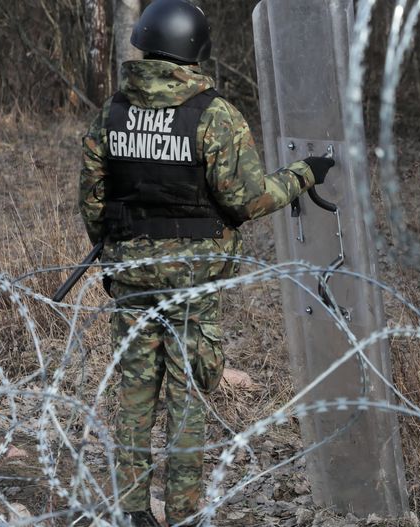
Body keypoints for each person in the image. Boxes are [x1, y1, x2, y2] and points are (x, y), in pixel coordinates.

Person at [78, 1, 334, 525]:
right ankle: (184, 513)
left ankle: (131, 512)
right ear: (194, 47)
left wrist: (116, 256)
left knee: (134, 396)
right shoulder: (212, 114)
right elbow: (247, 200)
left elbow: (93, 200)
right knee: (187, 397)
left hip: (130, 274)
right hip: (193, 281)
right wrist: (305, 174)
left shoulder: (113, 112)